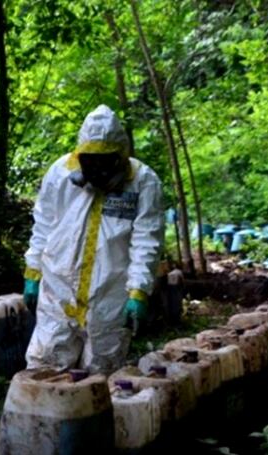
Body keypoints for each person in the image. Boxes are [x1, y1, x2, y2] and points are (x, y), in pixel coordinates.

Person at [22, 104, 164, 374]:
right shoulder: (60, 173)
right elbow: (43, 225)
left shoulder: (143, 181)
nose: (97, 168)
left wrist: (139, 290)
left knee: (99, 375)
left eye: (104, 160)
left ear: (119, 156)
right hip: (58, 287)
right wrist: (33, 271)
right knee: (45, 369)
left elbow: (147, 239)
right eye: (91, 160)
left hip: (110, 293)